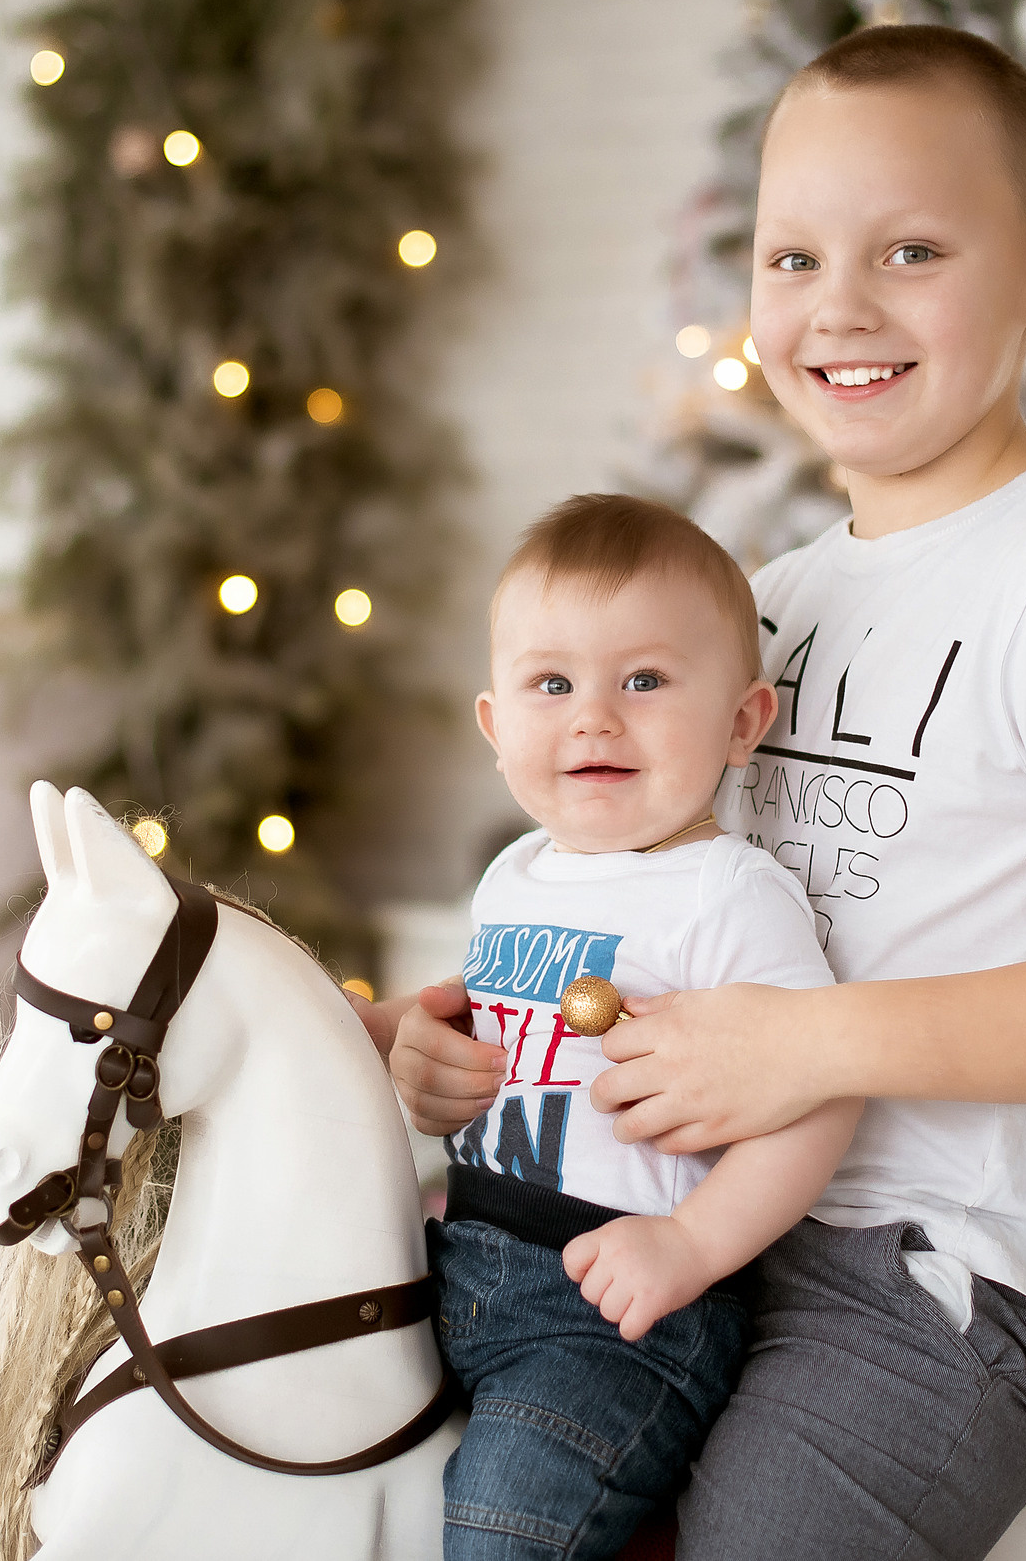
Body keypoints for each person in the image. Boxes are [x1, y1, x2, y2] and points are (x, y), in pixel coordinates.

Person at [356, 24, 1026, 1559]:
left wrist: (804, 1045)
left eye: (912, 250)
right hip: (693, 1217)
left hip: (946, 1277)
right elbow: (668, 915)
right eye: (792, 259)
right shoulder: (763, 601)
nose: (838, 308)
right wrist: (474, 1038)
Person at [355, 492, 860, 1561]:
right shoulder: (514, 872)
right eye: (552, 683)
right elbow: (479, 1003)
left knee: (501, 1527)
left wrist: (691, 1242)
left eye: (642, 680)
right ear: (496, 725)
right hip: (457, 1259)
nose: (593, 715)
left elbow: (820, 1092)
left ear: (740, 721)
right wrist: (374, 1030)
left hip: (619, 1319)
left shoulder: (726, 894)